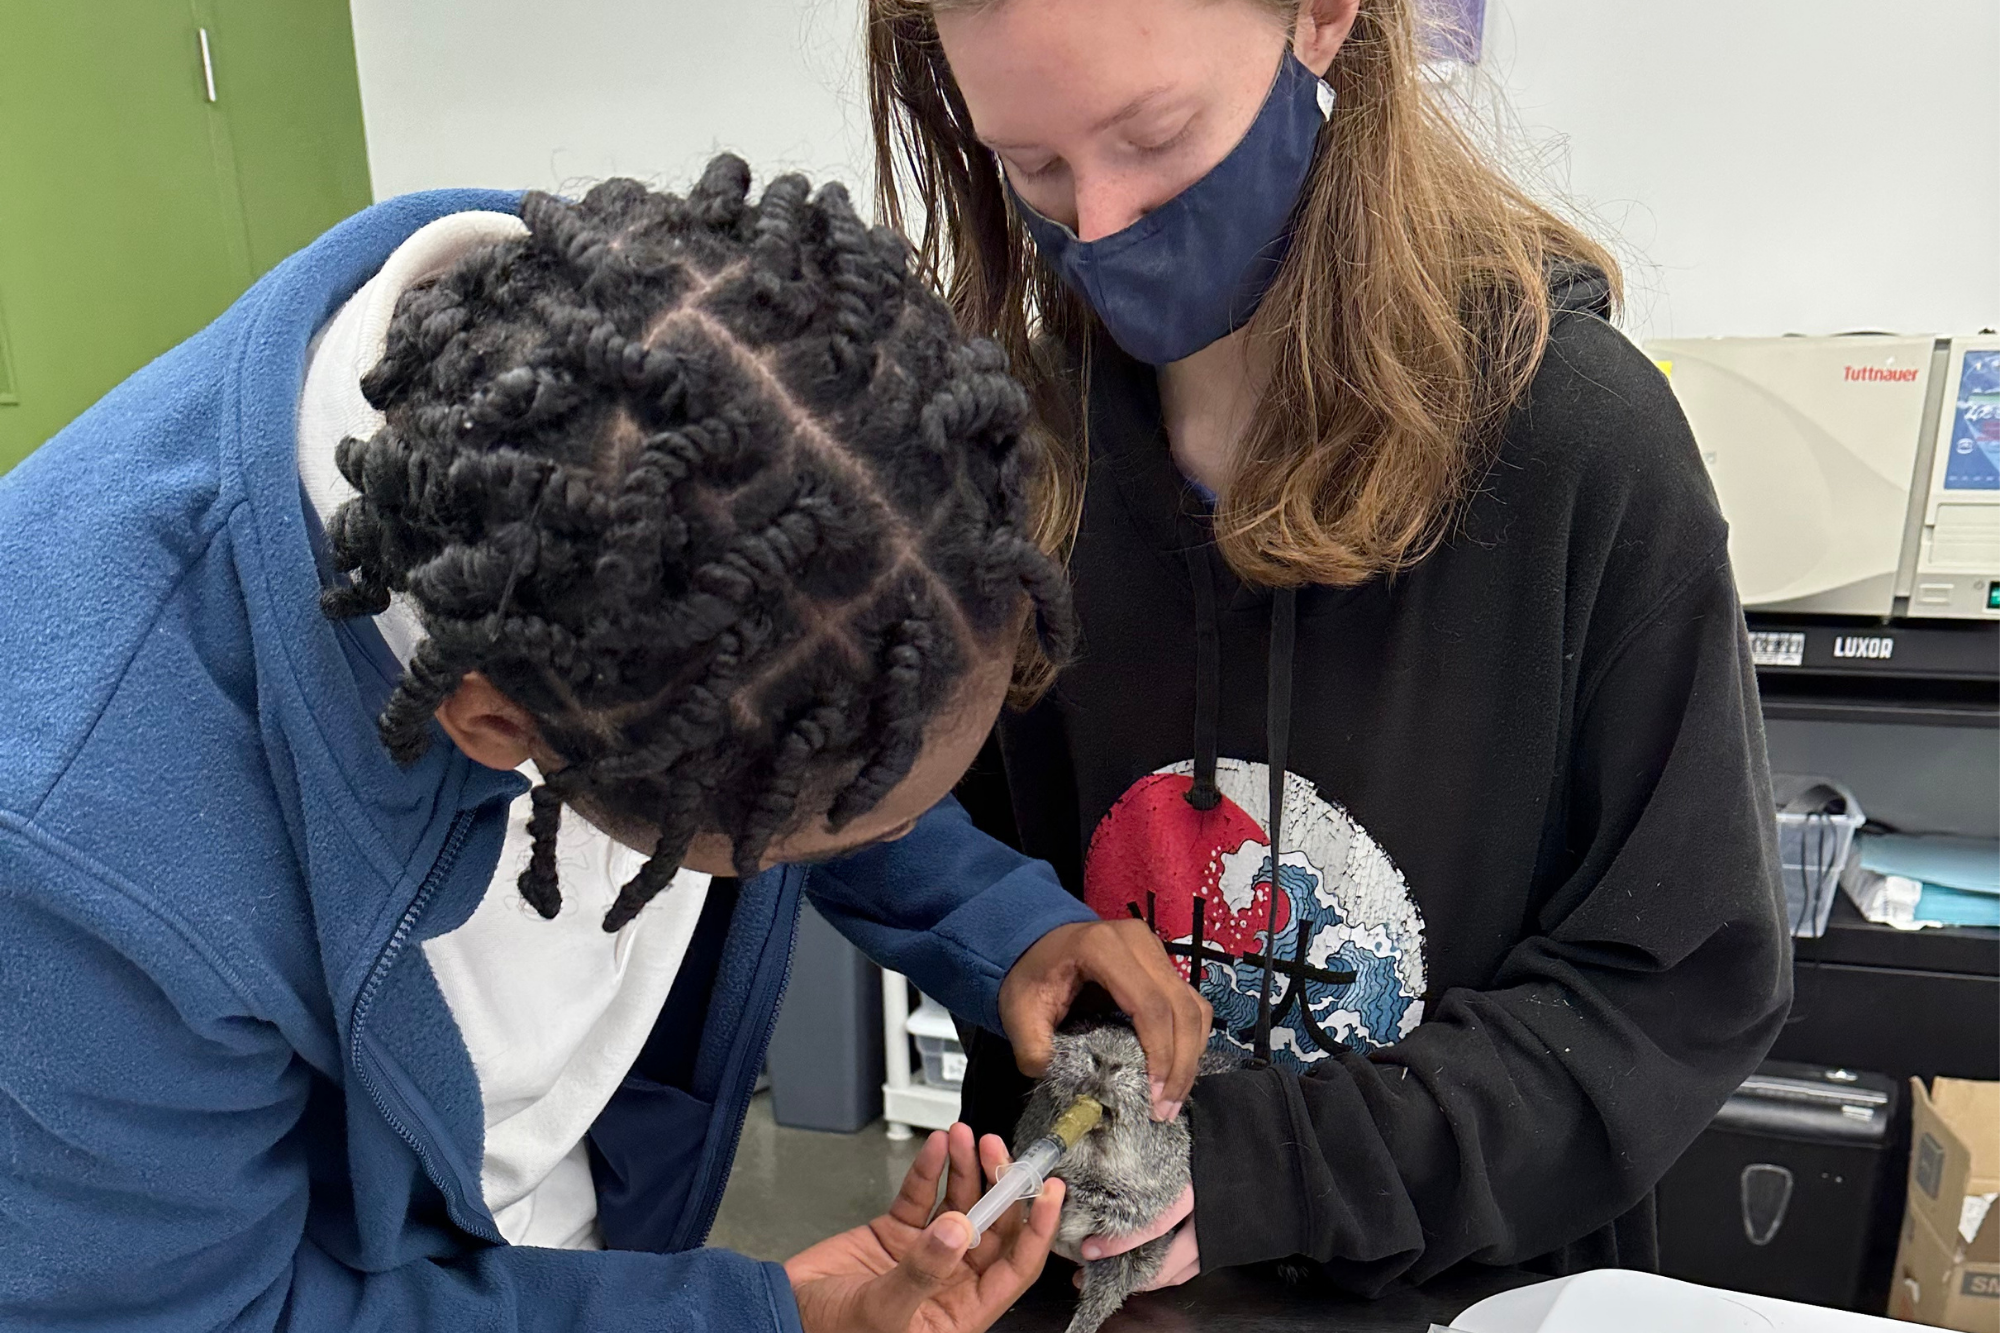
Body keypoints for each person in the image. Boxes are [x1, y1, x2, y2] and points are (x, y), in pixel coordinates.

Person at [0, 160, 1211, 1333]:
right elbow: (203, 1314)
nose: (896, 839)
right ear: (493, 727)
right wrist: (752, 1316)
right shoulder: (79, 857)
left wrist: (1001, 921)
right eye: (846, 826)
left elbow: (826, 709)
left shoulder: (644, 381)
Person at [868, 0, 1790, 1296]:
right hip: (1088, 1282)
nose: (1104, 225)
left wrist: (1263, 1169)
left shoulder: (1586, 454)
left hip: (1462, 1296)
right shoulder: (1015, 460)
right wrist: (1009, 936)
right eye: (1036, 169)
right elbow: (897, 831)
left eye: (1157, 133)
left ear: (1320, 18)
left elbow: (1668, 995)